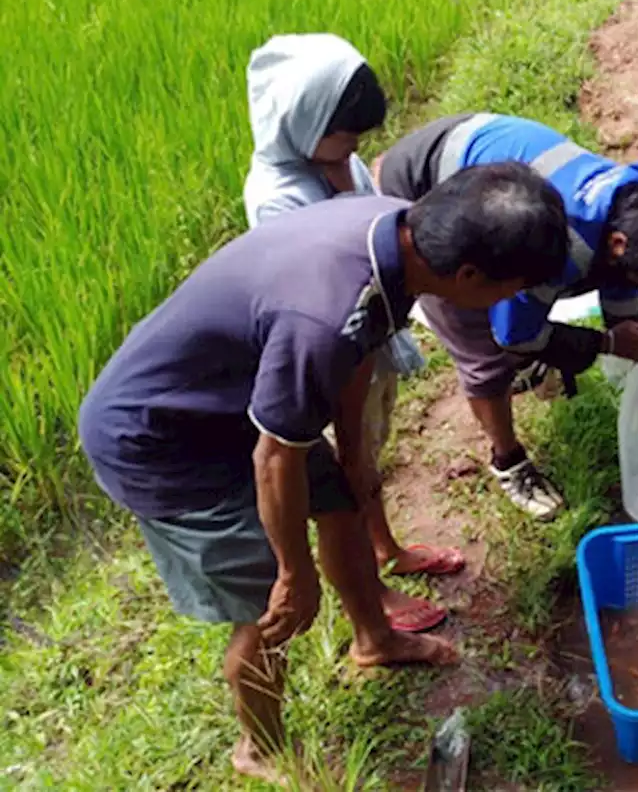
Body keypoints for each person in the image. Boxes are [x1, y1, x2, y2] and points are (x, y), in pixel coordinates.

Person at [78, 163, 569, 784]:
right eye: (509, 289)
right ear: (468, 274)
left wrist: (355, 452)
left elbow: (358, 341)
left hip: (238, 399)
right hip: (162, 439)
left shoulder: (397, 235)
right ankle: (258, 748)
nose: (506, 303)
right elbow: (276, 454)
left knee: (341, 498)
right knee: (270, 609)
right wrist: (293, 570)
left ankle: (375, 639)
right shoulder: (328, 309)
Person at [374, 113, 638, 520]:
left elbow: (622, 283)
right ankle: (509, 463)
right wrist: (608, 344)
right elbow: (513, 334)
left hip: (480, 155)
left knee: (534, 322)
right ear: (617, 243)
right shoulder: (563, 246)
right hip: (423, 186)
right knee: (486, 353)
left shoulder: (634, 201)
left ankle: (530, 369)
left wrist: (629, 336)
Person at [243, 33, 457, 632]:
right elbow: (327, 301)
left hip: (367, 341)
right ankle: (373, 588)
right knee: (346, 474)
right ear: (303, 122)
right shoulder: (278, 198)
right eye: (344, 136)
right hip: (329, 358)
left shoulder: (337, 160)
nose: (355, 149)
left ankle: (385, 545)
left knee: (368, 460)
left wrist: (343, 171)